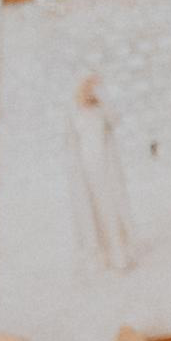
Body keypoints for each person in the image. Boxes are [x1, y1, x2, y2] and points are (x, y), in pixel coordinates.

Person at [67, 69, 138, 269]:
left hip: (106, 168)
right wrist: (76, 173)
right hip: (87, 171)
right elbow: (72, 145)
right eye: (89, 85)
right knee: (94, 213)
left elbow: (115, 119)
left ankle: (120, 253)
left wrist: (103, 98)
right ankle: (103, 255)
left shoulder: (101, 110)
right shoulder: (74, 113)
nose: (92, 90)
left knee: (113, 209)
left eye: (95, 86)